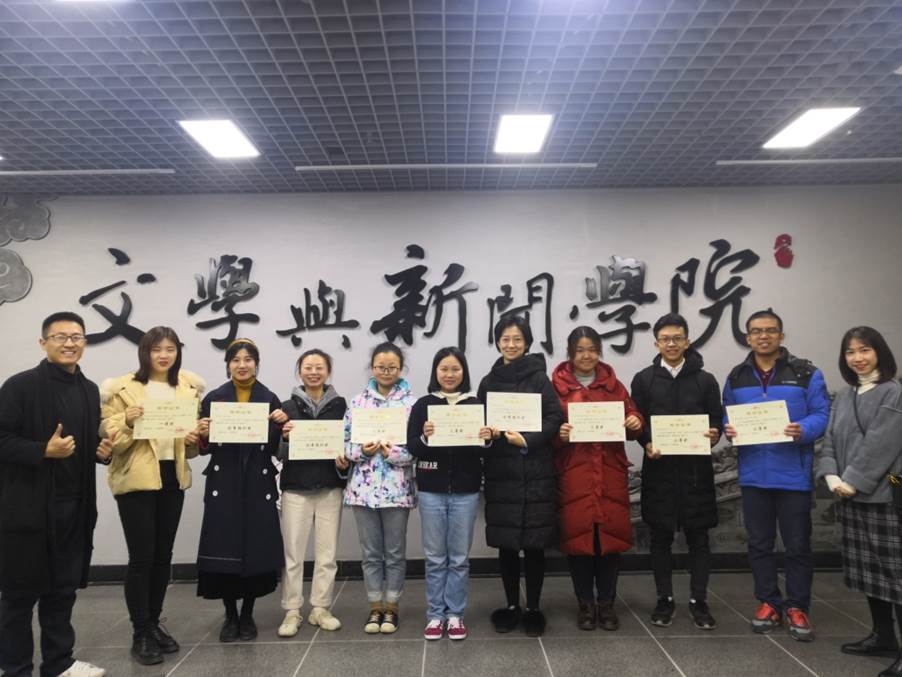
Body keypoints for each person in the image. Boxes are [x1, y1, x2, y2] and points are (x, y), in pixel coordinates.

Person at [0, 312, 112, 677]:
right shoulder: (20, 386)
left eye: (76, 337)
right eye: (60, 337)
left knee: (62, 591)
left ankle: (59, 663)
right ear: (43, 342)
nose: (69, 343)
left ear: (84, 342)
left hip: (74, 508)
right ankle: (15, 668)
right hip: (27, 510)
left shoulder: (89, 389)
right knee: (18, 597)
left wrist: (99, 451)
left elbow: (81, 444)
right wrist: (42, 450)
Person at [722, 308, 829, 642]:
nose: (763, 336)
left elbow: (822, 413)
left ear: (781, 336)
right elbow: (727, 416)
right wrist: (729, 429)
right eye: (756, 331)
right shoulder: (737, 376)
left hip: (793, 474)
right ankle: (769, 601)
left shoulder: (806, 373)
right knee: (759, 544)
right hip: (754, 474)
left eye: (770, 330)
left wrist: (804, 429)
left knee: (797, 545)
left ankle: (797, 606)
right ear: (747, 337)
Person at [100, 326, 205, 665]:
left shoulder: (187, 388)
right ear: (144, 352)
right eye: (156, 349)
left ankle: (154, 622)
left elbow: (189, 450)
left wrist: (193, 439)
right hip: (137, 479)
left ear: (178, 353)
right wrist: (127, 420)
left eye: (170, 349)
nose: (163, 355)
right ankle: (140, 631)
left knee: (162, 556)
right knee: (141, 557)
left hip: (172, 477)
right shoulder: (122, 389)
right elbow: (111, 443)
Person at [815, 327, 902, 677]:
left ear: (879, 352)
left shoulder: (894, 391)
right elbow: (831, 440)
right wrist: (831, 475)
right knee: (870, 570)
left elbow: (883, 443)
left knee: (895, 572)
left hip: (888, 492)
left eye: (865, 350)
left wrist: (853, 480)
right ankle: (883, 636)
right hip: (850, 492)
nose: (858, 358)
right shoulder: (846, 395)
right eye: (850, 352)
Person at [629, 313, 723, 630]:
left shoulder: (705, 380)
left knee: (699, 538)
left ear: (687, 341)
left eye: (677, 338)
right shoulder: (644, 380)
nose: (671, 343)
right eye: (665, 339)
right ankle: (664, 599)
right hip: (659, 470)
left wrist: (713, 434)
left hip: (696, 471)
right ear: (656, 343)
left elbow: (715, 421)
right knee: (660, 537)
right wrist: (646, 441)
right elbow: (637, 421)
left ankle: (699, 601)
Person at [195, 338, 288, 643]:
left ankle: (247, 613)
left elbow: (275, 449)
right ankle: (230, 614)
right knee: (225, 547)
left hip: (257, 483)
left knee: (255, 549)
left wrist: (282, 427)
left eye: (248, 359)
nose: (242, 365)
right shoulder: (214, 398)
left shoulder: (269, 398)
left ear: (256, 364)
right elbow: (204, 447)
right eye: (236, 360)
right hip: (225, 482)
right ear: (228, 364)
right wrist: (203, 434)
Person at [553, 326, 643, 632]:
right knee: (579, 541)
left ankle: (606, 604)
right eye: (580, 350)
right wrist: (559, 434)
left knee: (609, 541)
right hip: (574, 473)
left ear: (599, 351)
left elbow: (633, 418)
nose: (586, 355)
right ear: (570, 353)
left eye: (592, 349)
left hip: (609, 472)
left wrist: (635, 422)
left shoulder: (614, 385)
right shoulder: (556, 387)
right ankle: (585, 604)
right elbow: (545, 428)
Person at [478, 316, 564, 637]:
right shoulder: (488, 381)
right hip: (501, 473)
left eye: (517, 339)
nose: (511, 344)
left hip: (536, 472)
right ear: (497, 342)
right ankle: (512, 604)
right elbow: (480, 422)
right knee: (507, 544)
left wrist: (527, 439)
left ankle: (534, 608)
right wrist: (487, 434)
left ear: (527, 343)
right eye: (505, 339)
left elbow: (555, 417)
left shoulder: (540, 379)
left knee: (535, 545)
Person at [407, 347, 492, 641]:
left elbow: (486, 450)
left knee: (458, 558)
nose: (449, 374)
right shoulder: (423, 405)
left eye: (455, 369)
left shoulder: (475, 404)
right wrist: (425, 436)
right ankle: (435, 615)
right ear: (435, 372)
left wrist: (487, 439)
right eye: (444, 369)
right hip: (431, 490)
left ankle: (455, 614)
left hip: (466, 490)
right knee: (434, 557)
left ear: (463, 372)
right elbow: (412, 447)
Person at [343, 342, 415, 634]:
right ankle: (375, 608)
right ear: (372, 368)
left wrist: (392, 453)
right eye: (380, 367)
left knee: (395, 553)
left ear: (400, 369)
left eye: (392, 367)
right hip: (362, 491)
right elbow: (345, 446)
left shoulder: (412, 404)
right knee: (371, 554)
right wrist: (363, 451)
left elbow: (417, 449)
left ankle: (392, 608)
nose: (386, 372)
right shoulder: (357, 402)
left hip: (398, 490)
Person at [276, 349, 349, 638]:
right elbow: (278, 453)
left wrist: (344, 462)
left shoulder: (341, 406)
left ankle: (321, 607)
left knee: (327, 554)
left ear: (328, 372)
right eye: (308, 367)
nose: (314, 372)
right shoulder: (286, 407)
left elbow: (348, 444)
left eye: (320, 367)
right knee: (293, 554)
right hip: (296, 488)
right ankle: (292, 610)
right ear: (300, 372)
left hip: (330, 487)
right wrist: (284, 438)